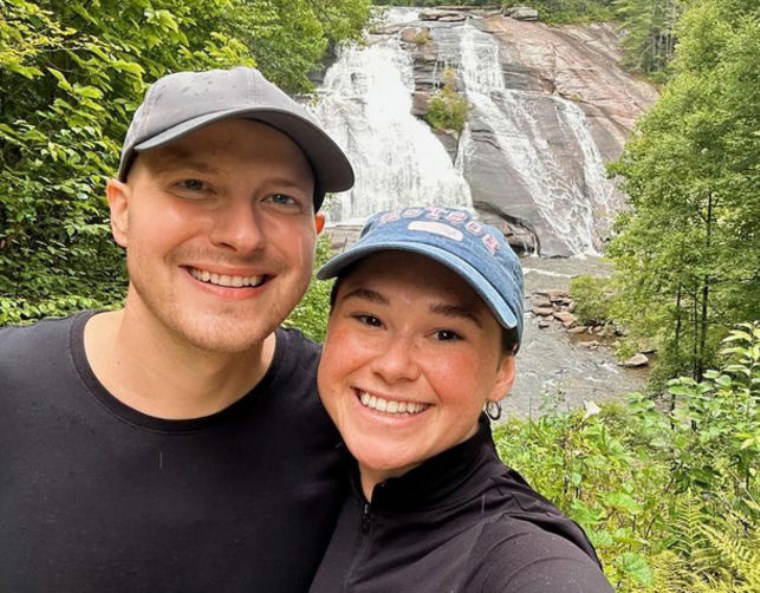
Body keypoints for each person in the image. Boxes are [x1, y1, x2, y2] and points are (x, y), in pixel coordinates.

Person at [0, 67, 355, 592]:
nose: (242, 236)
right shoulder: (8, 391)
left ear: (314, 232)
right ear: (121, 211)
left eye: (281, 199)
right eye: (194, 186)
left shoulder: (359, 424)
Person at [309, 206, 614, 593]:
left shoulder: (524, 558)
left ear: (502, 373)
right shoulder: (302, 470)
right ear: (329, 326)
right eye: (370, 319)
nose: (394, 366)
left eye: (445, 334)